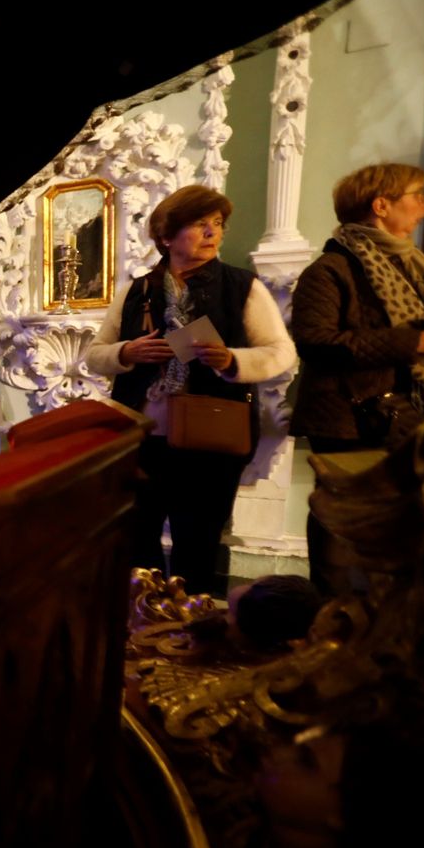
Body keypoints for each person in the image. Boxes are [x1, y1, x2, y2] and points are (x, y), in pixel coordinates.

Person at [85, 185, 295, 596]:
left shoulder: (241, 287)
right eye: (200, 224)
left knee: (197, 545)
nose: (212, 233)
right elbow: (94, 355)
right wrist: (128, 351)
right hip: (140, 437)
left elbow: (281, 351)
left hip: (210, 439)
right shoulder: (137, 290)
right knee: (137, 542)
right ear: (166, 236)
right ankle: (143, 627)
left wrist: (232, 361)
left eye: (217, 224)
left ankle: (192, 631)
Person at [287, 163, 424, 594]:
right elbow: (316, 342)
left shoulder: (416, 270)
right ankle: (333, 630)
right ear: (381, 206)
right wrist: (419, 342)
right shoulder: (330, 269)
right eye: (417, 195)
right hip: (349, 420)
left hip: (406, 419)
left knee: (399, 538)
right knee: (340, 535)